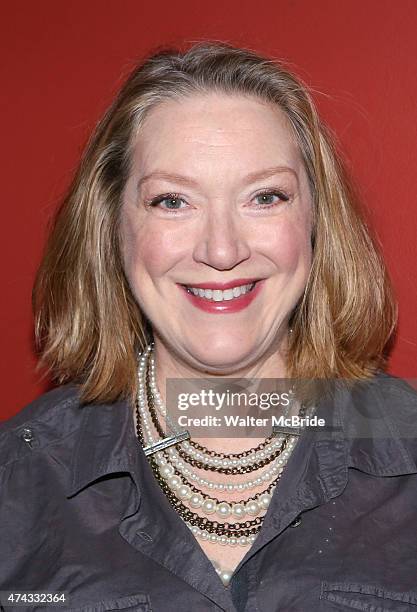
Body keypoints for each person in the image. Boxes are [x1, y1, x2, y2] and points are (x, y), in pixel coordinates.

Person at [1, 41, 417, 612]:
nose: (221, 250)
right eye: (173, 201)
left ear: (317, 219)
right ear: (112, 226)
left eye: (264, 197)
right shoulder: (17, 482)